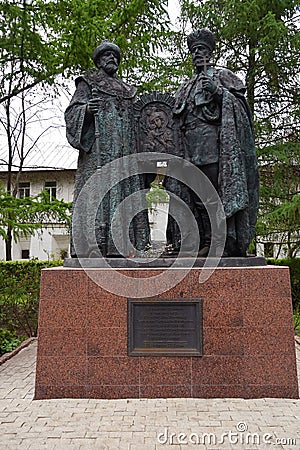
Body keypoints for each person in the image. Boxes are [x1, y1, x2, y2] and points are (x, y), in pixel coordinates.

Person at [169, 28, 259, 257]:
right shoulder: (187, 85)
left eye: (202, 50)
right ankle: (206, 239)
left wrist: (219, 93)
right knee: (197, 196)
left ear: (210, 52)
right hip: (189, 147)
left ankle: (221, 241)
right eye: (194, 50)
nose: (197, 54)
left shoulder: (222, 76)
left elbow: (240, 109)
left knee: (213, 195)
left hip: (213, 147)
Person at [65, 40, 151, 258]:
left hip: (125, 152)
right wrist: (86, 110)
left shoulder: (127, 90)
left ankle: (127, 244)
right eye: (106, 55)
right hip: (99, 153)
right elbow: (71, 112)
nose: (112, 59)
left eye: (115, 56)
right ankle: (96, 245)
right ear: (99, 61)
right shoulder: (88, 84)